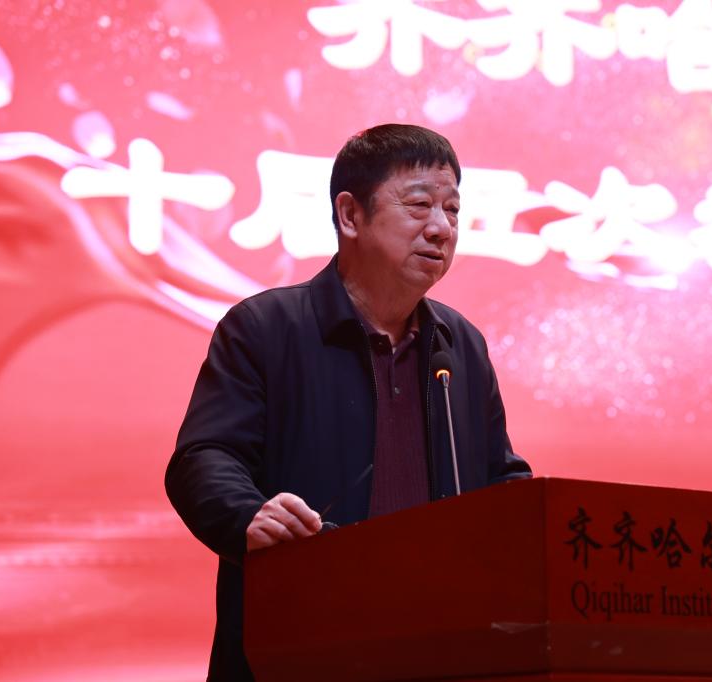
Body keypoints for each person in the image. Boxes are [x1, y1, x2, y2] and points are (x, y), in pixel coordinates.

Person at [165, 124, 532, 680]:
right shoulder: (265, 328)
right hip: (300, 644)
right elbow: (204, 458)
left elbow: (499, 477)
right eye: (419, 205)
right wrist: (248, 514)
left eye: (453, 210)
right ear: (350, 215)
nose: (441, 227)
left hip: (440, 648)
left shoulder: (461, 345)